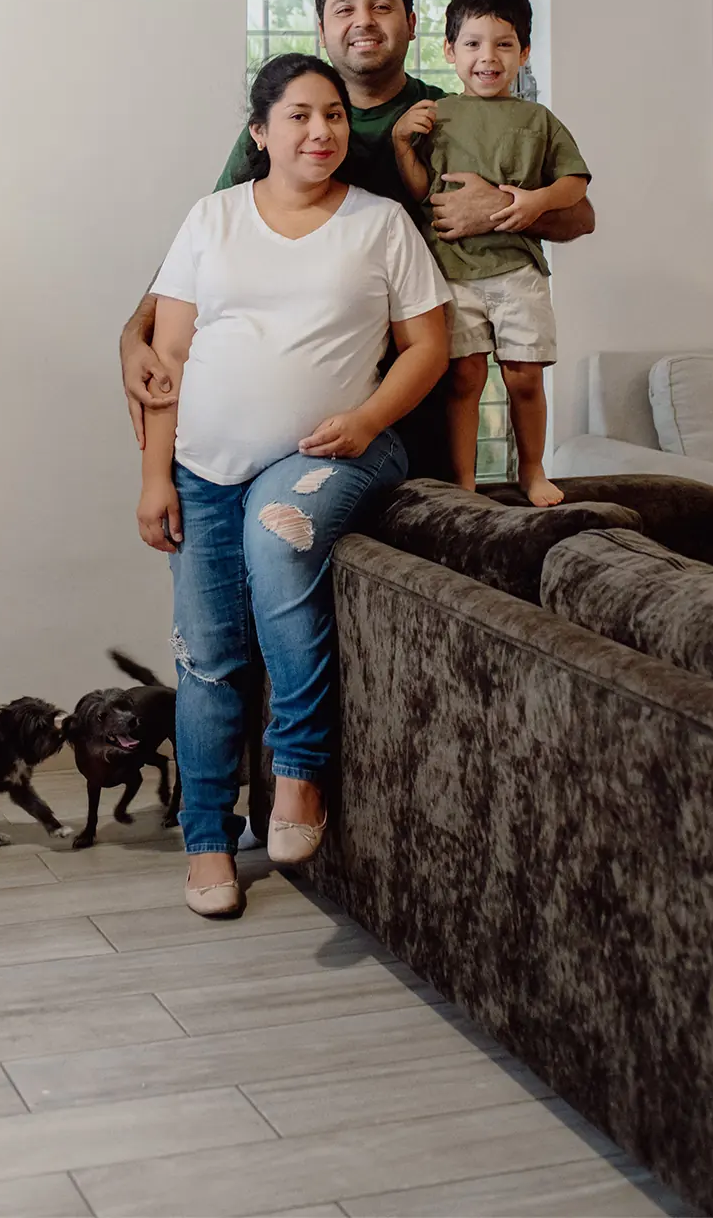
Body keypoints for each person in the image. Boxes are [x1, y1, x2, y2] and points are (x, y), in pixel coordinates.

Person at [136, 53, 449, 918]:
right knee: (207, 658)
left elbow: (429, 346)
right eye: (301, 116)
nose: (321, 131)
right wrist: (156, 475)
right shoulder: (212, 219)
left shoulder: (382, 224)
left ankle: (299, 772)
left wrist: (370, 419)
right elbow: (167, 358)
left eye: (335, 115)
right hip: (202, 469)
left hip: (335, 452)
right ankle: (207, 841)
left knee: (278, 539)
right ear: (261, 132)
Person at [120, 0, 596, 459]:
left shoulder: (451, 115)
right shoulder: (284, 128)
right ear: (322, 30)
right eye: (344, 9)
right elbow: (205, 242)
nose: (363, 21)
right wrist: (135, 333)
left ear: (412, 24)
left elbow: (580, 216)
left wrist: (498, 207)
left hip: (423, 395)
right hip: (304, 404)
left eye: (381, 6)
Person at [392, 0, 589, 507]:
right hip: (453, 270)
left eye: (504, 44)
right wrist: (402, 144)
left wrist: (536, 202)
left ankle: (533, 470)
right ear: (449, 51)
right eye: (473, 44)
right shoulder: (436, 114)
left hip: (519, 271)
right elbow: (423, 193)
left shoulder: (538, 119)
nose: (488, 57)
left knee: (525, 377)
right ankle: (464, 480)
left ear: (524, 52)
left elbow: (575, 183)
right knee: (465, 378)